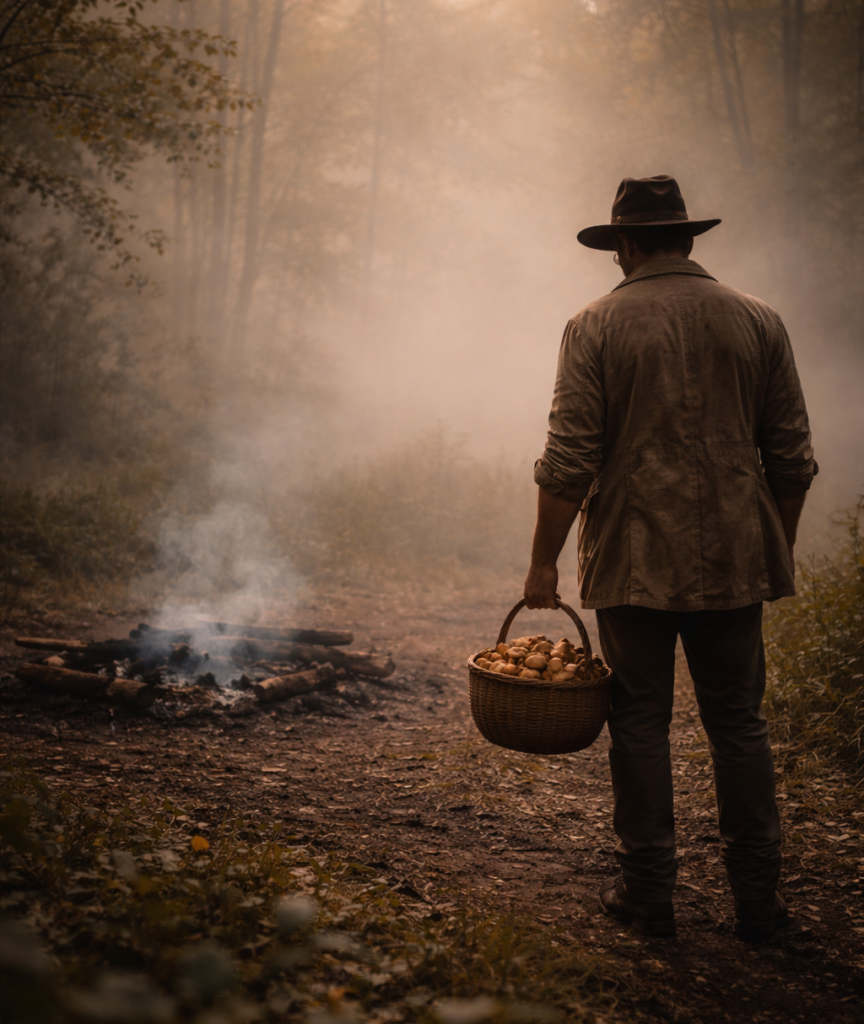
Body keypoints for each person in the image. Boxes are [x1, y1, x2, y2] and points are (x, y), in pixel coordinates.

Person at [523, 175, 816, 941]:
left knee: (642, 722)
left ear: (624, 243)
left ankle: (649, 896)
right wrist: (772, 543)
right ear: (687, 238)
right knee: (739, 725)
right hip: (734, 556)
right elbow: (792, 457)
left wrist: (543, 565)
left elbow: (568, 459)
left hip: (632, 555)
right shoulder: (759, 321)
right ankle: (760, 905)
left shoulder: (595, 324)